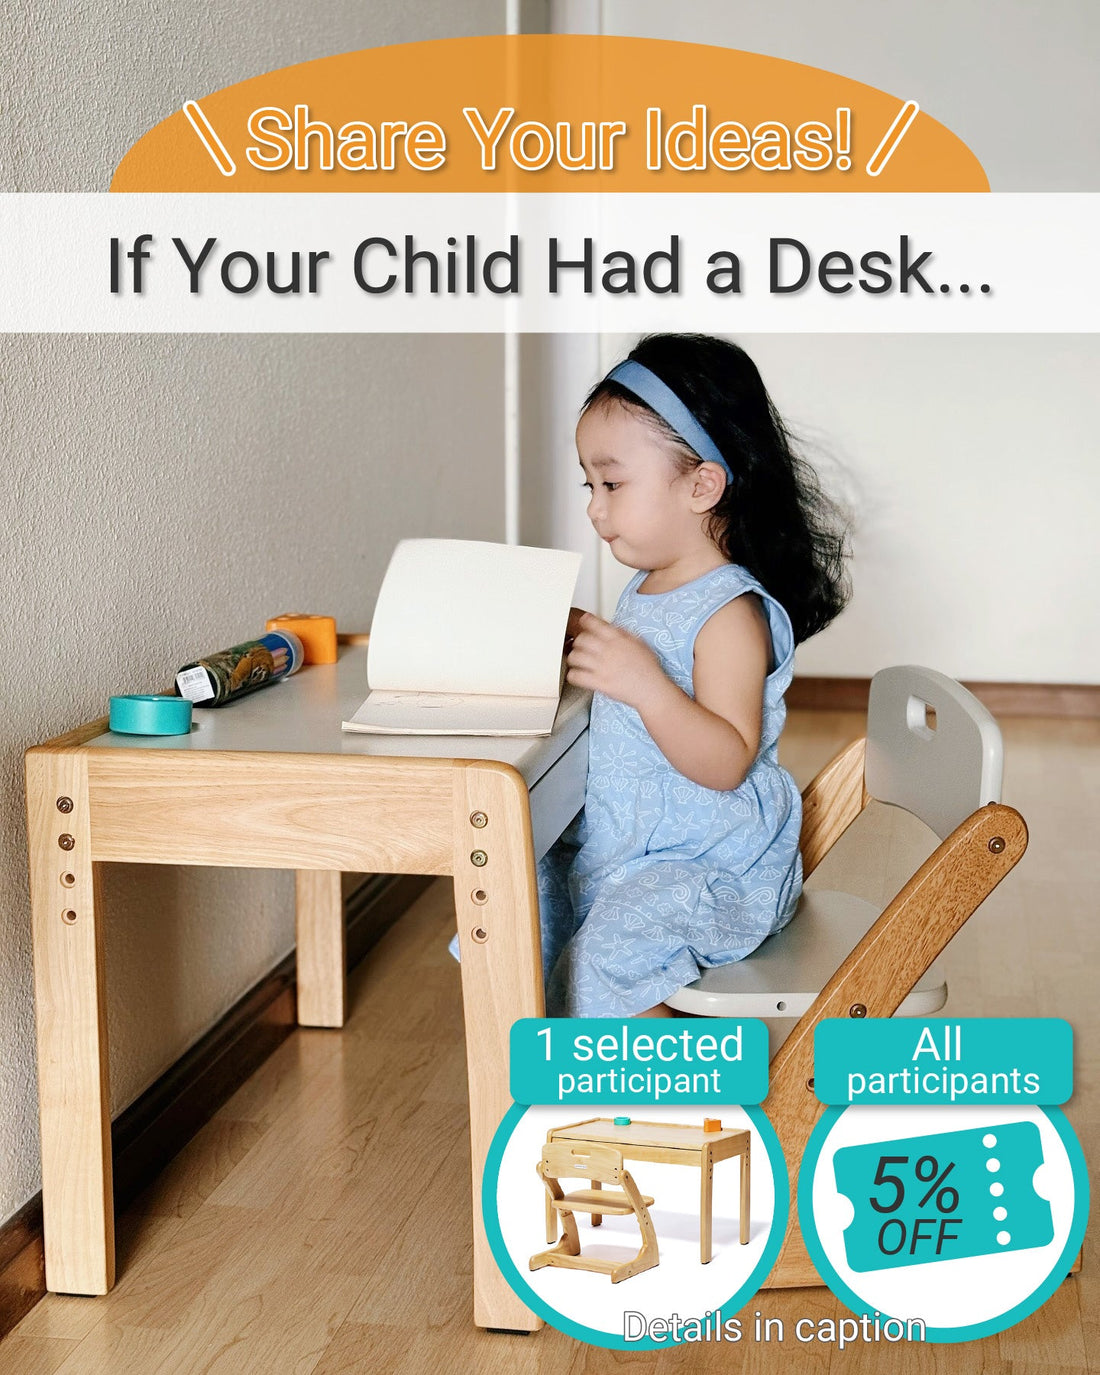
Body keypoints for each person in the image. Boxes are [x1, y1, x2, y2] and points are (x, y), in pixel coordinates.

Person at [540, 333, 850, 1018]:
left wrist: (645, 682)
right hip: (638, 844)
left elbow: (726, 761)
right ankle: (558, 1054)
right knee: (520, 887)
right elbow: (637, 673)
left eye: (613, 483)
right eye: (590, 484)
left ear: (702, 485)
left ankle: (662, 1096)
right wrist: (584, 636)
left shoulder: (729, 614)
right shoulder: (652, 586)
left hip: (712, 869)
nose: (595, 506)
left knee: (610, 950)